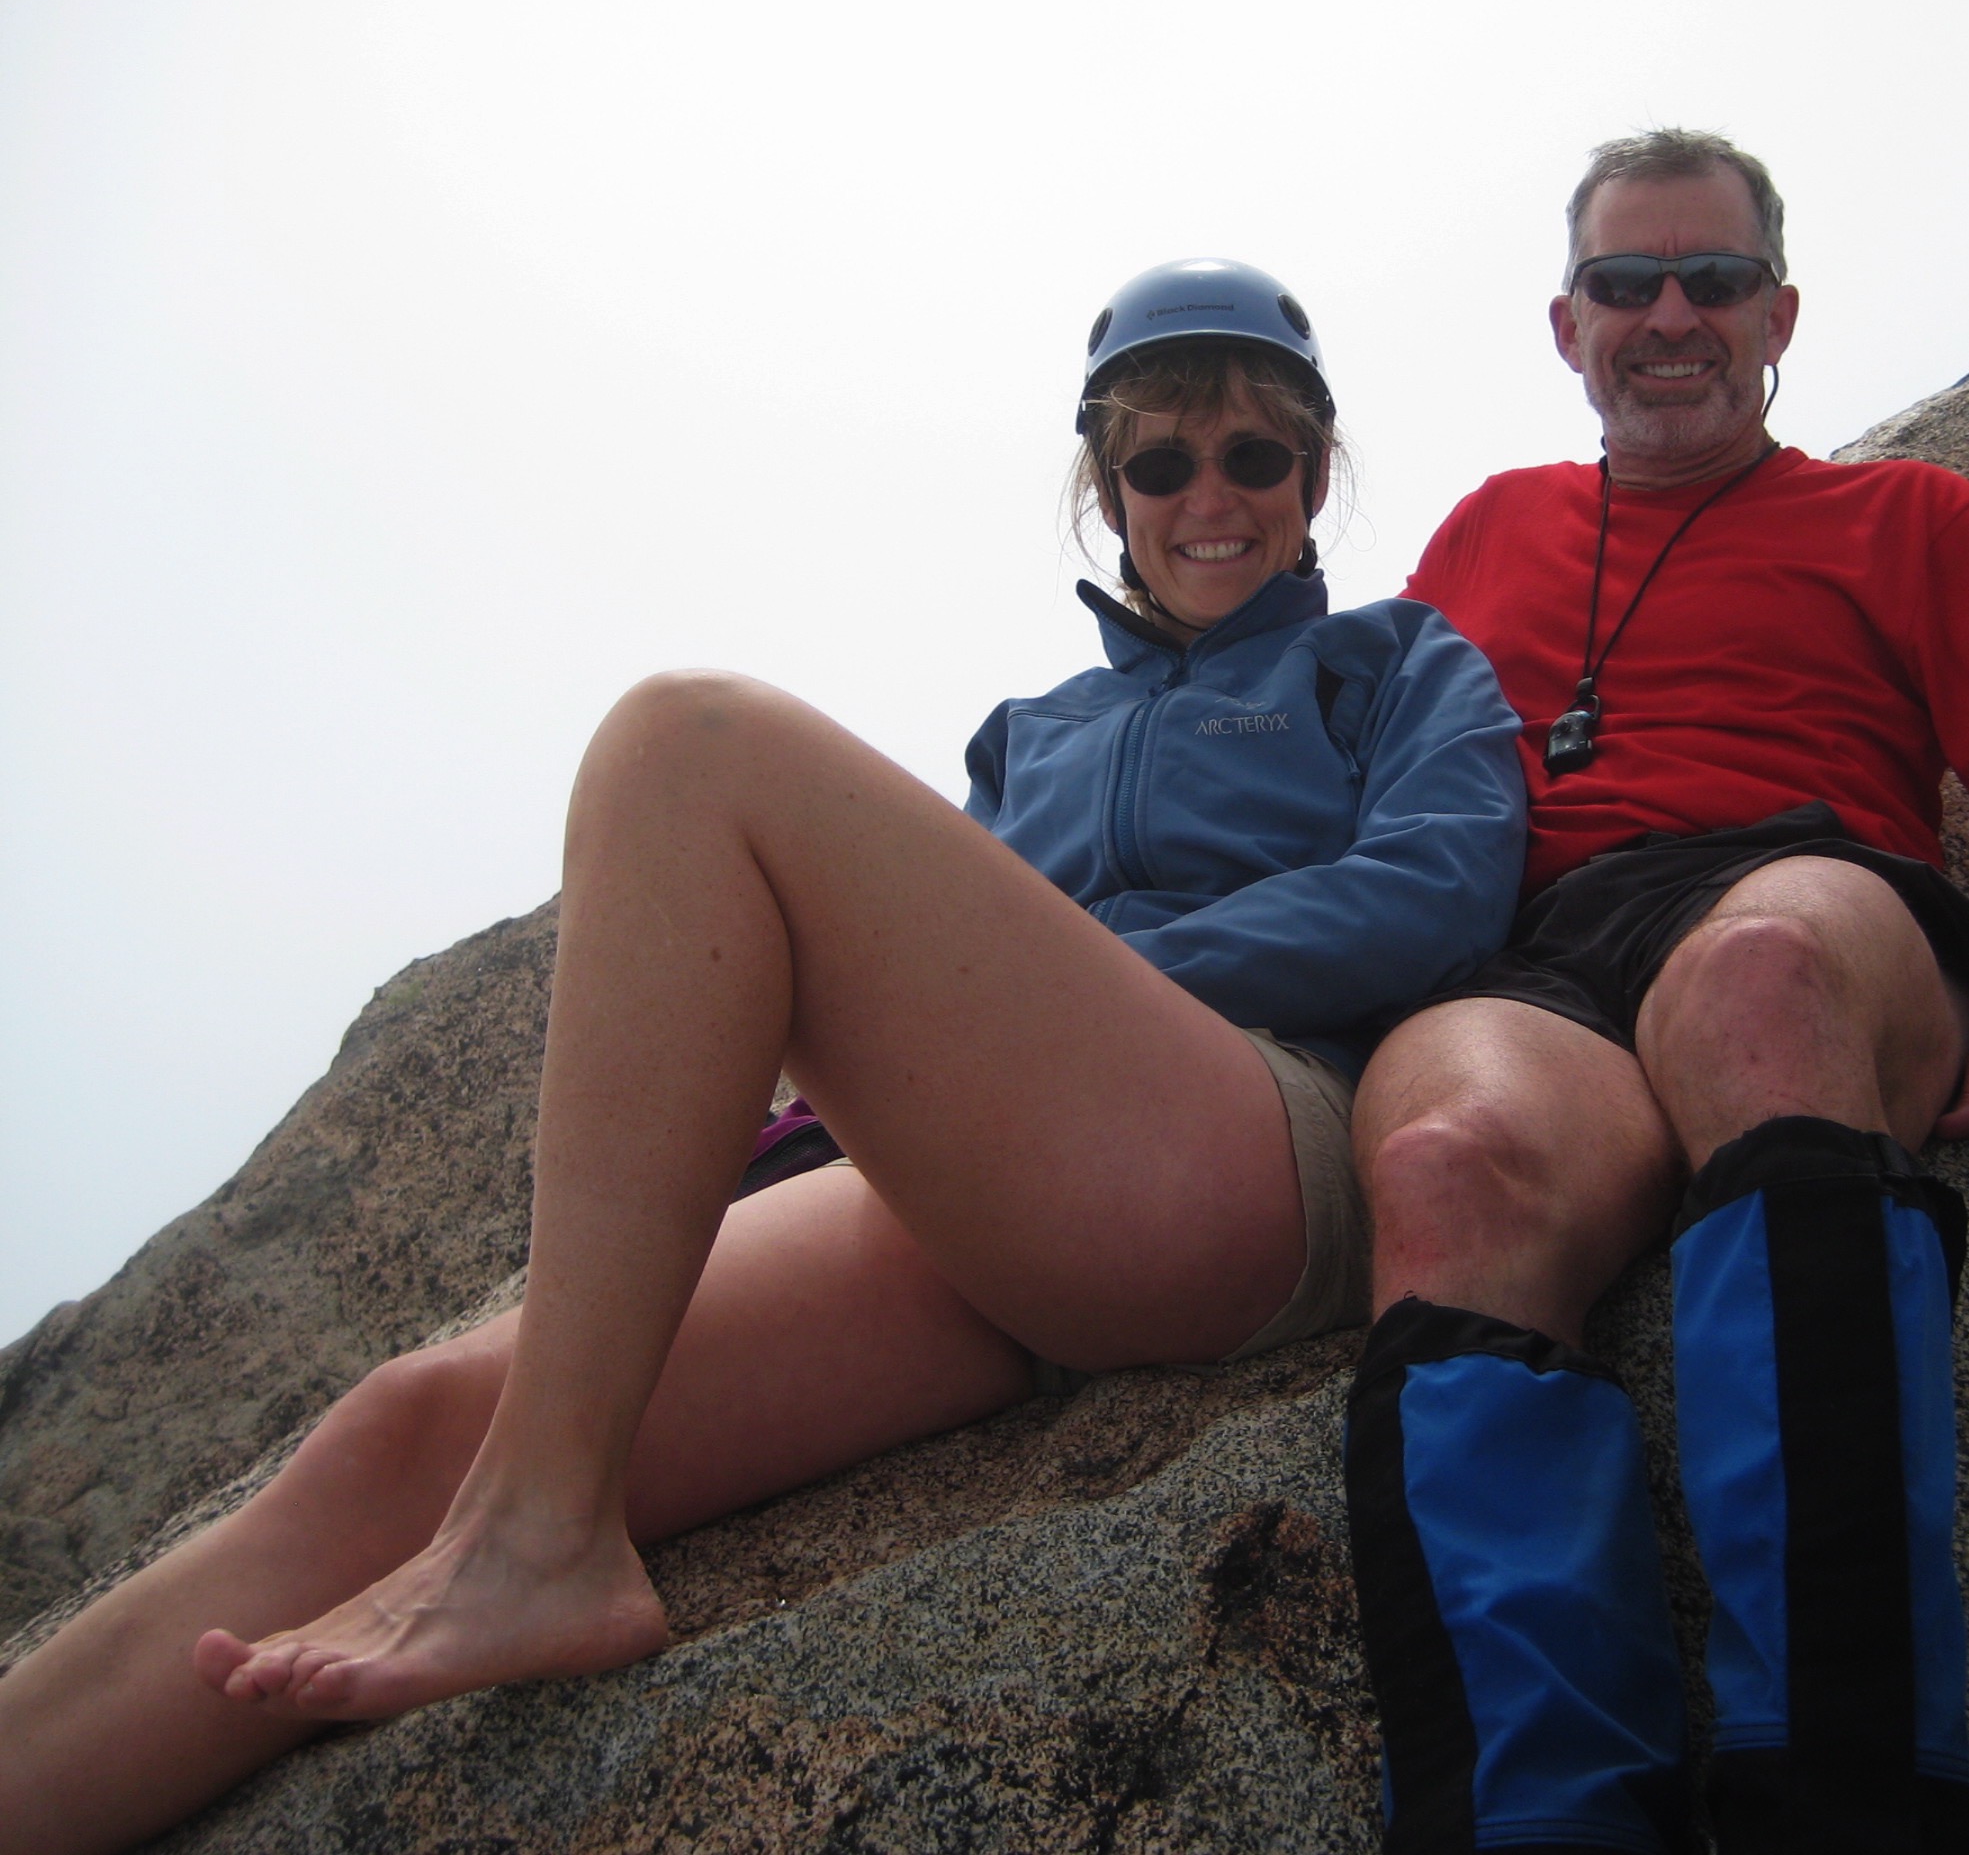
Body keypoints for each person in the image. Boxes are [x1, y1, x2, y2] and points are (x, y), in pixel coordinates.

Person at [0, 260, 1527, 1855]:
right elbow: (930, 1010)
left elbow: (1440, 890)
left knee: (687, 742)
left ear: (1317, 475)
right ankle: (501, 1535)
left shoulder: (1398, 662)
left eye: (1254, 456)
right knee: (405, 1432)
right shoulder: (1034, 736)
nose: (1208, 496)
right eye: (1160, 461)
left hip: (1251, 1146)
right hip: (990, 1219)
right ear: (1108, 487)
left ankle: (539, 1534)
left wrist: (1092, 975)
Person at [1340, 132, 1969, 1855]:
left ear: (1780, 314)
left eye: (1714, 280)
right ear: (1565, 322)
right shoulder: (1492, 528)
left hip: (1801, 883)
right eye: (1627, 284)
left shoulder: (1908, 515)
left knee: (1758, 982)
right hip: (1539, 958)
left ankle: (1846, 1799)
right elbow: (1336, 785)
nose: (1670, 315)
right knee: (1448, 1164)